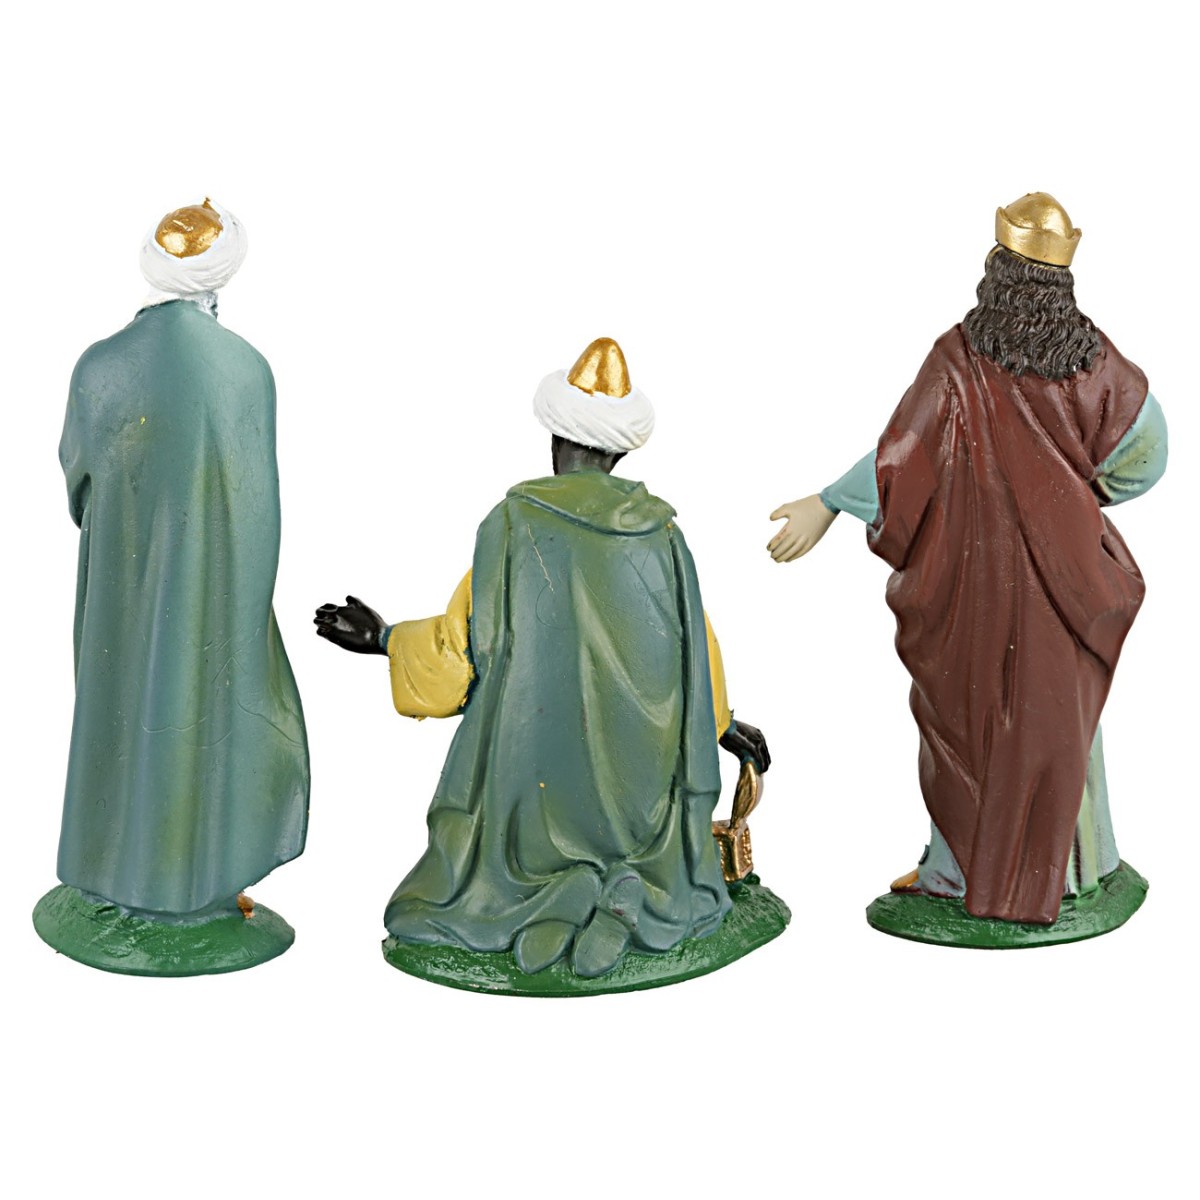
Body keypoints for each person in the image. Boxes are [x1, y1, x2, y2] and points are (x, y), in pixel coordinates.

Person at [317, 337, 782, 987]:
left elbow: (461, 652)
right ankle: (629, 883)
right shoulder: (663, 534)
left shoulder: (513, 525)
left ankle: (550, 891)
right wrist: (723, 725)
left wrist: (386, 639)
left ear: (557, 438)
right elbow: (695, 647)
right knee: (642, 826)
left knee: (501, 845)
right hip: (642, 785)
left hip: (537, 772)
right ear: (620, 452)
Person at [768, 194, 1166, 934]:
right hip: (1049, 589)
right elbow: (1147, 453)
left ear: (995, 275)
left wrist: (827, 502)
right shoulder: (1092, 363)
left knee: (977, 729)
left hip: (980, 595)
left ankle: (965, 874)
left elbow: (901, 462)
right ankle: (1077, 868)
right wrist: (1079, 502)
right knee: (1054, 727)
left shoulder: (958, 359)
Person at [34, 199, 310, 974]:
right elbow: (257, 502)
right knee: (207, 708)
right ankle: (197, 879)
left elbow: (79, 484)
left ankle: (120, 873)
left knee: (124, 708)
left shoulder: (99, 365)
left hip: (124, 580)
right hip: (221, 580)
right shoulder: (245, 369)